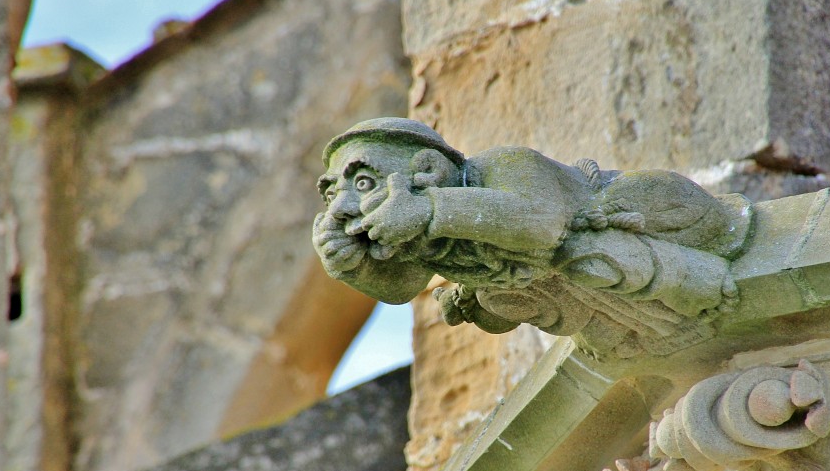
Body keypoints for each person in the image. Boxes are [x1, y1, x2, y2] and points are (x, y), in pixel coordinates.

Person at [313, 118, 750, 342]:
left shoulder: (506, 165)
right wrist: (351, 267)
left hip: (656, 218)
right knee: (493, 297)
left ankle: (703, 282)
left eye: (363, 182)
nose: (345, 207)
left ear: (426, 170)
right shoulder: (413, 230)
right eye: (333, 194)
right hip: (605, 305)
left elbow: (542, 225)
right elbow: (402, 286)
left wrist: (429, 209)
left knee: (586, 255)